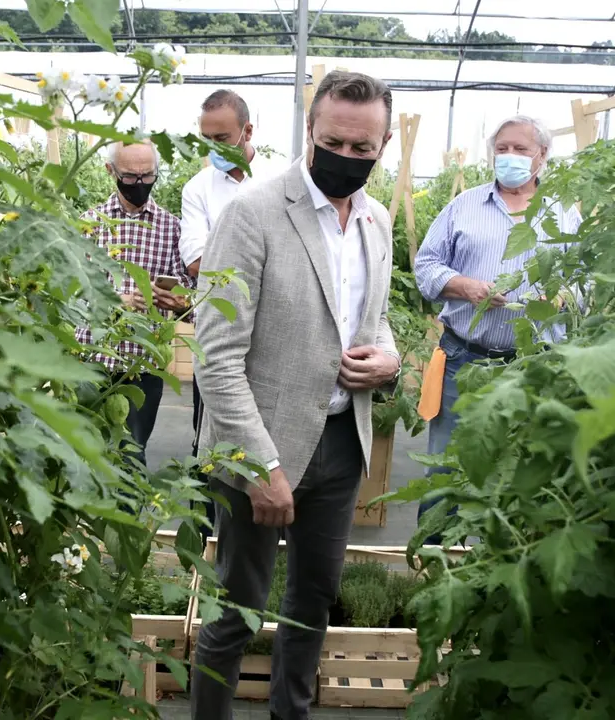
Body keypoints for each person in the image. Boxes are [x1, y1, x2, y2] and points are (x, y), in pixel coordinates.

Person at [191, 71, 401, 720]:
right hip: (262, 447)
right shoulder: (252, 214)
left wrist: (388, 358)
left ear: (383, 145)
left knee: (312, 604)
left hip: (340, 445)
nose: (348, 158)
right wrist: (262, 467)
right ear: (309, 132)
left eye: (364, 150)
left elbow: (372, 319)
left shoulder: (376, 222)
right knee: (238, 608)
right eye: (335, 142)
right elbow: (216, 357)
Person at [413, 115, 582, 537]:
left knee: (522, 471)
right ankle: (433, 566)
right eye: (502, 149)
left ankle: (500, 566)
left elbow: (587, 278)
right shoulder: (464, 206)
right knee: (447, 469)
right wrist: (465, 286)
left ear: (542, 156)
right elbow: (426, 266)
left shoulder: (563, 212)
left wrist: (560, 296)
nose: (509, 157)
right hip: (464, 360)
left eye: (520, 149)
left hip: (534, 365)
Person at [179, 89, 267, 540]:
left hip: (272, 337)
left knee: (270, 429)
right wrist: (266, 269)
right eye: (205, 138)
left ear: (248, 131)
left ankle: (264, 527)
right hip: (217, 333)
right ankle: (208, 536)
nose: (213, 147)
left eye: (223, 137)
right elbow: (197, 264)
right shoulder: (197, 189)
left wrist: (227, 262)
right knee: (210, 436)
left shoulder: (281, 179)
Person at [75, 140, 191, 470]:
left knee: (131, 454)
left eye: (147, 176)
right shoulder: (90, 223)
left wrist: (178, 301)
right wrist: (119, 300)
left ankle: (125, 520)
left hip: (142, 364)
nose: (139, 185)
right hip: (91, 358)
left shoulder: (171, 228)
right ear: (111, 171)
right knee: (85, 449)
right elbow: (68, 295)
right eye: (130, 177)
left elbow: (189, 296)